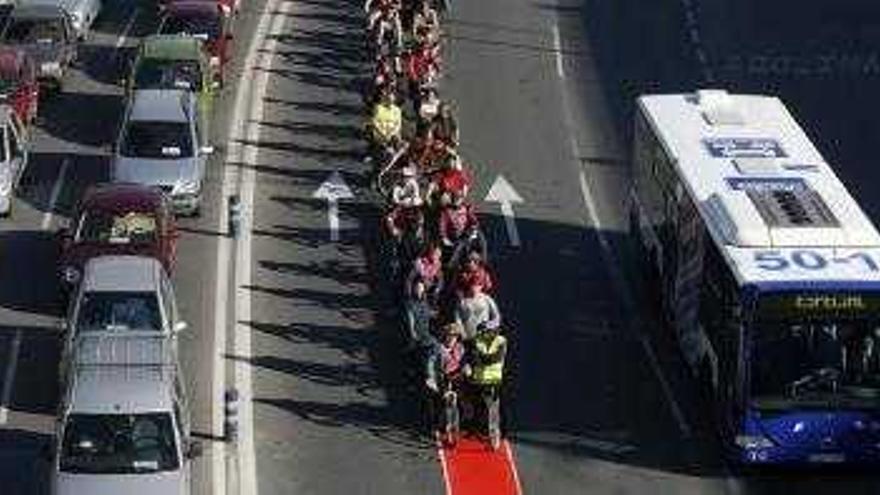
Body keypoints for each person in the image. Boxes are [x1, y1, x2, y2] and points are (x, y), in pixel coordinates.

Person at [466, 321, 507, 449]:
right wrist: (483, 358)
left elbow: (495, 358)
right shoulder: (476, 340)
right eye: (484, 331)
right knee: (477, 407)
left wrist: (482, 358)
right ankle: (477, 431)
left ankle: (496, 437)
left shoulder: (501, 341)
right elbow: (475, 359)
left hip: (494, 380)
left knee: (493, 410)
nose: (486, 333)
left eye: (490, 331)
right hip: (478, 380)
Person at [426, 321, 466, 392]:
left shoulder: (460, 347)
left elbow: (463, 360)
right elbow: (431, 365)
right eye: (449, 335)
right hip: (444, 376)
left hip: (458, 374)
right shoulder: (438, 349)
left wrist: (465, 366)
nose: (451, 339)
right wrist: (431, 377)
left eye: (454, 336)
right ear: (444, 336)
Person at [404, 280, 437, 350]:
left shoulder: (425, 303)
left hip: (425, 332)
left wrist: (433, 313)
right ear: (414, 289)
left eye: (421, 288)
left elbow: (427, 313)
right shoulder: (410, 303)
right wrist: (413, 334)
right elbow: (410, 320)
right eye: (417, 288)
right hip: (417, 334)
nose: (419, 290)